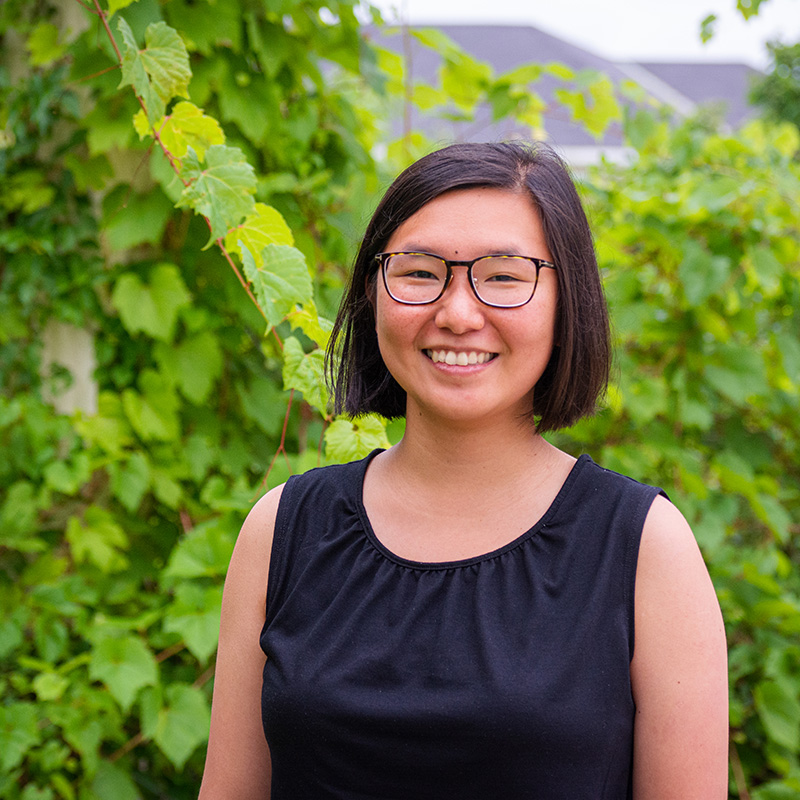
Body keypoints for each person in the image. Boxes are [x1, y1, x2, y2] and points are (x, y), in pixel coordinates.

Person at [198, 142, 728, 799]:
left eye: (504, 276)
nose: (456, 312)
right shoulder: (283, 529)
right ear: (372, 289)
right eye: (420, 272)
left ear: (569, 301)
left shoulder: (645, 548)